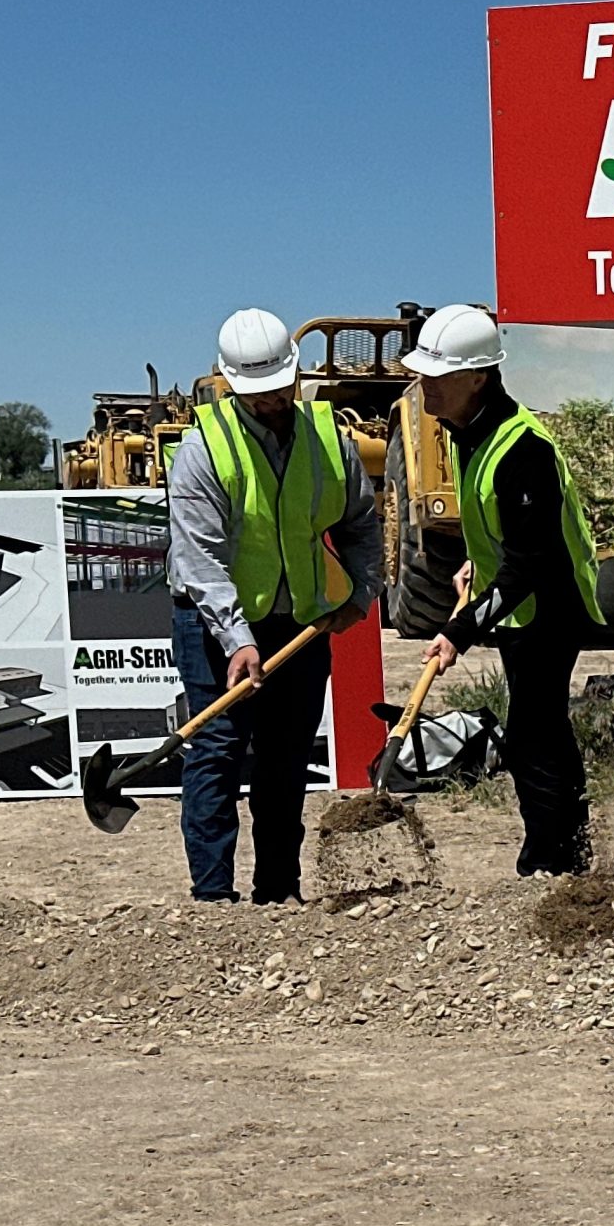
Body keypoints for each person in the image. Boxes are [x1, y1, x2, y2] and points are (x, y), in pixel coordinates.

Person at [165, 307, 382, 904]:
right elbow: (199, 560)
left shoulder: (329, 441)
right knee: (218, 750)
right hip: (212, 627)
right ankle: (213, 899)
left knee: (286, 760)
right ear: (231, 384)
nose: (272, 401)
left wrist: (361, 591)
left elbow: (362, 522)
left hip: (299, 624)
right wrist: (239, 640)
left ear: (295, 376)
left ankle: (279, 891)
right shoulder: (202, 451)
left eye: (280, 388)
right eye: (257, 393)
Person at [411, 304, 605, 876]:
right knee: (534, 730)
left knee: (533, 733)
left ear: (478, 378)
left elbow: (533, 561)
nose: (425, 387)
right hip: (518, 603)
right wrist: (476, 562)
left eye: (437, 376)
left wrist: (458, 630)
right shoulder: (466, 432)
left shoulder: (523, 449)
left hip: (549, 605)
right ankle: (561, 853)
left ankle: (555, 860)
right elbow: (501, 530)